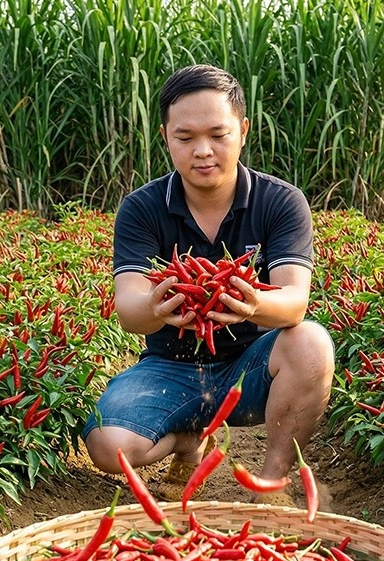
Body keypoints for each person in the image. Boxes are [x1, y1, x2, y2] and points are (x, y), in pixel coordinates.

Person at [82, 64, 334, 503]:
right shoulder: (142, 208)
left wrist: (252, 304)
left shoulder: (280, 202)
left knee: (311, 343)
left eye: (218, 135)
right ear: (165, 137)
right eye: (185, 138)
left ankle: (271, 481)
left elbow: (294, 302)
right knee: (108, 444)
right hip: (169, 367)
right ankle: (185, 438)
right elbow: (129, 307)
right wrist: (158, 307)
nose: (203, 151)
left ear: (243, 130)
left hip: (251, 369)